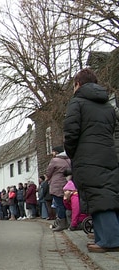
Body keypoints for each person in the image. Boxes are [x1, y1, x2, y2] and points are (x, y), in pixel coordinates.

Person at [63, 68, 119, 253]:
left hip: (87, 156)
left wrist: (73, 153)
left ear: (78, 84)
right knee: (107, 194)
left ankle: (109, 240)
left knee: (98, 196)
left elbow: (71, 133)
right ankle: (104, 236)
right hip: (108, 155)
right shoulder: (108, 106)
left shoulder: (77, 103)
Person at [46, 145, 71, 232]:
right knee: (66, 204)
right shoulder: (68, 160)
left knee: (59, 205)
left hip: (56, 185)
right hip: (67, 184)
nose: (52, 153)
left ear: (56, 152)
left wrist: (48, 178)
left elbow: (48, 172)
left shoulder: (54, 160)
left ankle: (62, 224)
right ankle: (68, 222)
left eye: (53, 151)